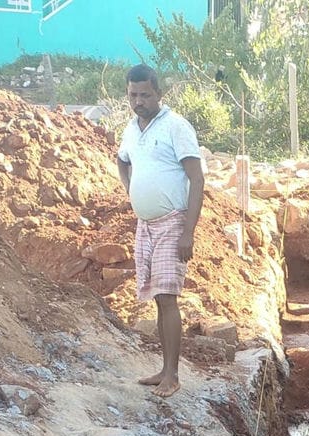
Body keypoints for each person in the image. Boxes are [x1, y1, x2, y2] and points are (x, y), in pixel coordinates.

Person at [115, 63, 205, 401]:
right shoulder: (131, 129)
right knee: (156, 297)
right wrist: (131, 189)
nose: (139, 101)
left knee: (167, 297)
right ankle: (163, 370)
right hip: (146, 226)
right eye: (133, 95)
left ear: (159, 94)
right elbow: (121, 160)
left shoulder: (176, 127)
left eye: (145, 95)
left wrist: (188, 232)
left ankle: (173, 375)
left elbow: (196, 179)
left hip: (172, 223)